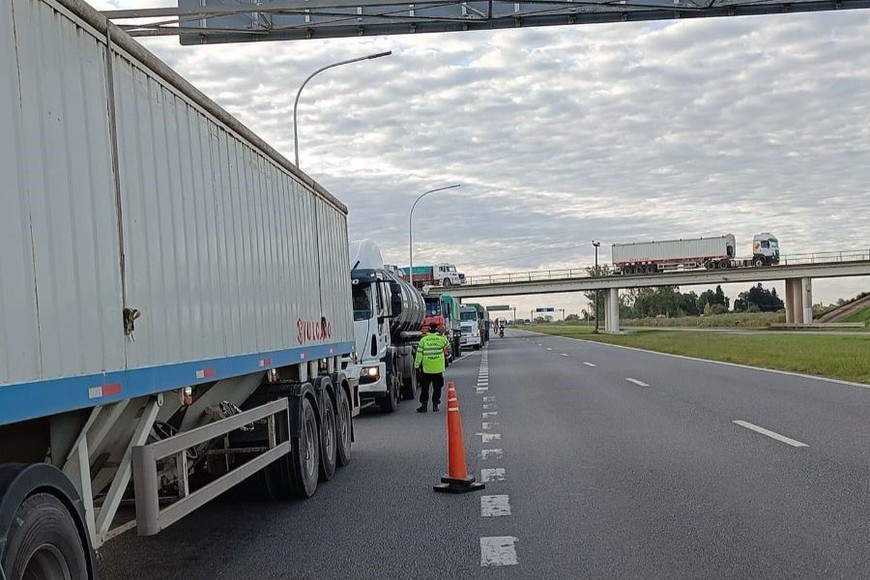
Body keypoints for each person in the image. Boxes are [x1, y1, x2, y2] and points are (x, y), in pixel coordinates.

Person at [414, 322, 450, 413]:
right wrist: (442, 334)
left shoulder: (424, 340)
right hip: (438, 369)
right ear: (437, 329)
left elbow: (419, 354)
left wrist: (416, 365)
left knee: (425, 388)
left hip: (426, 369)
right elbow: (447, 345)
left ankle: (424, 406)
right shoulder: (441, 339)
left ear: (428, 330)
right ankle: (435, 405)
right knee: (437, 388)